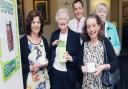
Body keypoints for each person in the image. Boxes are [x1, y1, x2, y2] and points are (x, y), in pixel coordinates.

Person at [79, 14, 119, 89]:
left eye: (94, 25)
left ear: (99, 26)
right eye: (89, 26)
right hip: (87, 85)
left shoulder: (105, 42)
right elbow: (79, 62)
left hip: (103, 85)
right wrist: (81, 67)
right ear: (86, 29)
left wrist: (104, 66)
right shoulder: (84, 44)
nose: (91, 29)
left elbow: (116, 61)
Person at [49, 8, 82, 89]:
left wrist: (71, 58)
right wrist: (53, 44)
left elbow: (80, 57)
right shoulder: (54, 34)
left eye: (64, 19)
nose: (62, 21)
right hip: (55, 72)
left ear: (67, 20)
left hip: (69, 74)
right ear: (57, 21)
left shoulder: (75, 36)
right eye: (60, 19)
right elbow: (49, 53)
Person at [20, 10, 50, 89]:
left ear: (41, 24)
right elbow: (19, 65)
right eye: (33, 22)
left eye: (38, 22)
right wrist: (31, 67)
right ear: (29, 24)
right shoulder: (23, 42)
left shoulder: (45, 41)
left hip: (45, 81)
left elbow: (49, 59)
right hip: (31, 83)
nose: (36, 25)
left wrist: (47, 62)